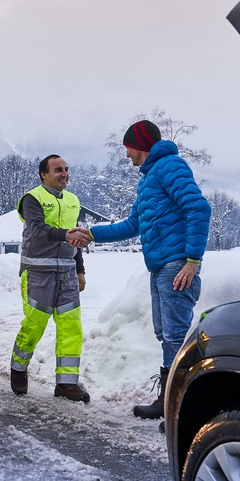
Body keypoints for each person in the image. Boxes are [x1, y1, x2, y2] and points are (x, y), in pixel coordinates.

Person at [88, 120, 211, 420]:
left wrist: (192, 260)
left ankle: (183, 407)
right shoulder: (148, 178)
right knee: (165, 334)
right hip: (160, 266)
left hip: (176, 263)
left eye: (128, 147)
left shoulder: (170, 166)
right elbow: (133, 225)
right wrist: (91, 234)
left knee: (176, 336)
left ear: (139, 144)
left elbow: (199, 208)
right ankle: (170, 400)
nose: (126, 154)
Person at [10, 154, 94, 402]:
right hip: (38, 273)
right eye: (58, 170)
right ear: (43, 174)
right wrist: (65, 235)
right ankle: (18, 368)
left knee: (71, 327)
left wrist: (80, 269)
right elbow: (37, 228)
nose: (64, 174)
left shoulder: (73, 201)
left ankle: (66, 384)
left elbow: (76, 240)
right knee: (34, 325)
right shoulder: (32, 198)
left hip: (67, 274)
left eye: (66, 169)